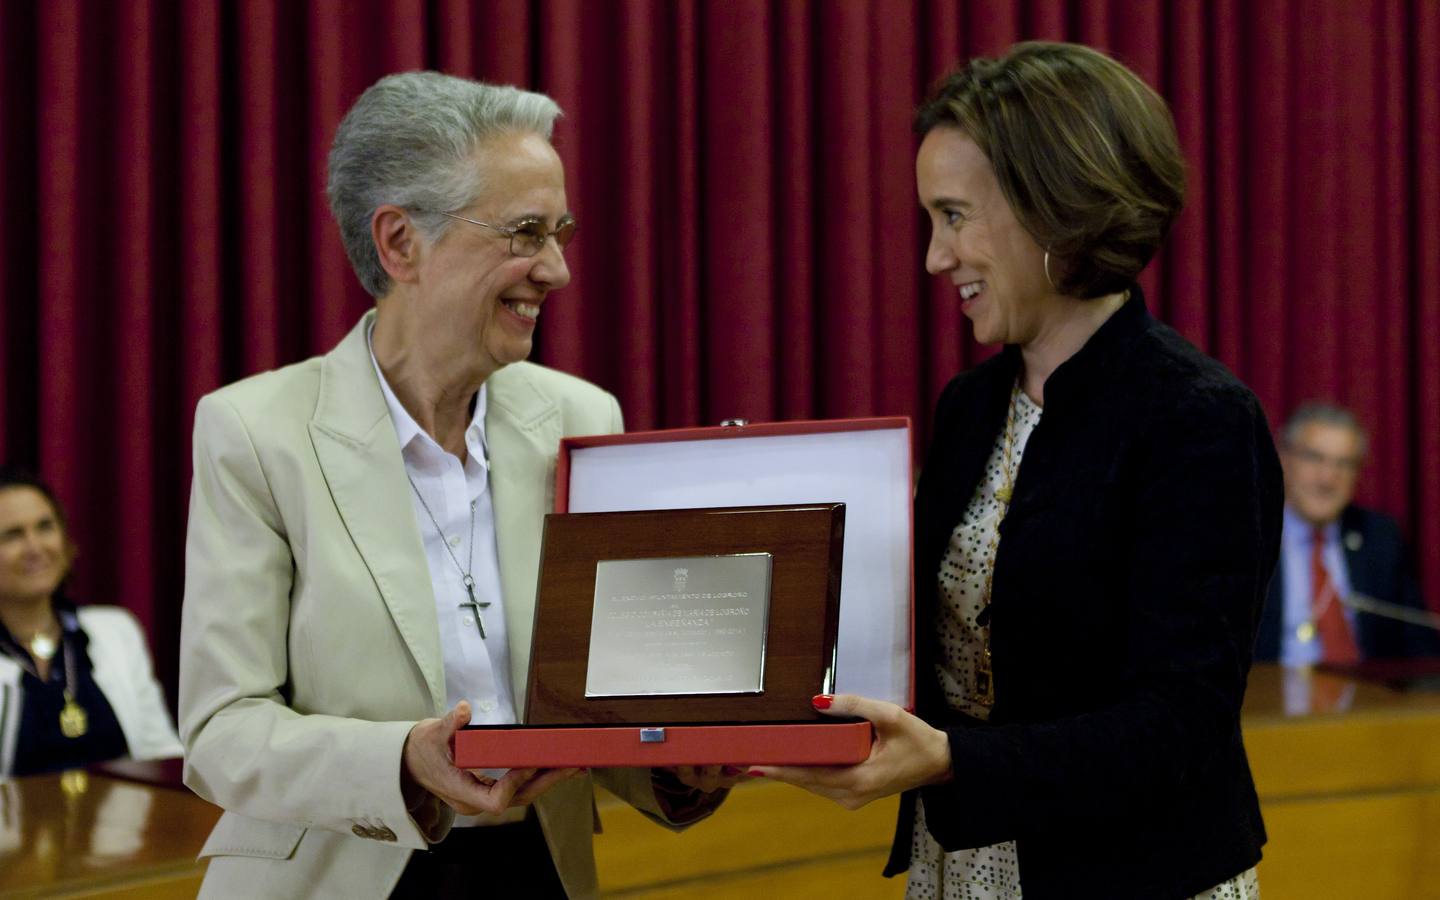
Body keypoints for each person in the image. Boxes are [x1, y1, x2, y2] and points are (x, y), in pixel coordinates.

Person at [179, 72, 729, 900]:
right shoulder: (257, 433)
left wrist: (684, 759)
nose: (556, 270)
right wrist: (401, 759)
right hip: (342, 874)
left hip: (536, 869)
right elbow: (221, 730)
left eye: (561, 232)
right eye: (524, 233)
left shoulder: (581, 418)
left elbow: (610, 703)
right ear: (401, 244)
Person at [751, 43, 1282, 900]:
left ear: (1057, 208)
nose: (934, 257)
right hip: (964, 860)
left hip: (1136, 874)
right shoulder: (970, 406)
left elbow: (1183, 726)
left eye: (954, 215)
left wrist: (955, 759)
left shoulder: (1198, 418)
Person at [0, 467, 181, 777]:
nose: (35, 547)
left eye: (45, 527)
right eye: (12, 535)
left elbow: (161, 753)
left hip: (126, 824)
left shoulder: (115, 631)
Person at [1255, 403, 1438, 664]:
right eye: (1314, 458)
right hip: (1265, 698)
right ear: (1283, 458)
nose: (1328, 478)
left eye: (1344, 464)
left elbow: (1419, 643)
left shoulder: (1380, 537)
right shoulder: (1247, 536)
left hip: (1367, 700)